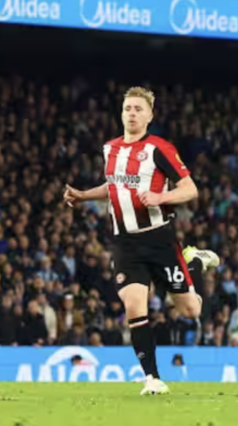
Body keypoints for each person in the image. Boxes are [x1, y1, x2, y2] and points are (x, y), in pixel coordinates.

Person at [64, 87, 201, 396]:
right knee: (134, 305)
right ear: (121, 112)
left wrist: (160, 197)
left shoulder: (159, 149)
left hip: (160, 240)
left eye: (139, 109)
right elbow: (113, 187)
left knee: (190, 310)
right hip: (125, 243)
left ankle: (195, 262)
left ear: (150, 116)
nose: (132, 113)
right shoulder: (109, 149)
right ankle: (152, 378)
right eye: (128, 108)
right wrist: (84, 196)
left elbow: (190, 189)